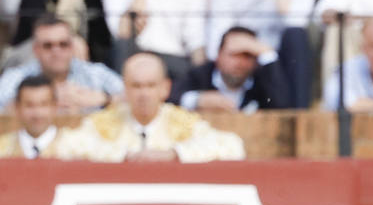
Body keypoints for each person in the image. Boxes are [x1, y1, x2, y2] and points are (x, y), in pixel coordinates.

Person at [54, 52, 246, 161]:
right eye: (136, 86)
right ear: (125, 89)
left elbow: (233, 146)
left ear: (165, 88)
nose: (144, 94)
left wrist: (174, 154)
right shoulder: (106, 121)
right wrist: (123, 155)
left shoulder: (181, 121)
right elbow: (65, 145)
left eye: (151, 85)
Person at [0, 15, 124, 114]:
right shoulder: (16, 76)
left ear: (72, 47)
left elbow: (132, 96)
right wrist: (42, 101)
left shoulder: (94, 73)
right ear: (36, 50)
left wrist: (103, 99)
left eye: (63, 44)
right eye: (48, 46)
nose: (56, 51)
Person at [170, 25, 292, 111]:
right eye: (234, 55)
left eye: (247, 55)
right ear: (218, 55)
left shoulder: (263, 81)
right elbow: (169, 98)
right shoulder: (200, 75)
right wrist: (199, 100)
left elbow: (282, 106)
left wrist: (267, 53)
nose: (239, 62)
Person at [0, 77, 64, 159]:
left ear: (55, 106)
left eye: (44, 104)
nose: (37, 113)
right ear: (17, 107)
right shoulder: (3, 149)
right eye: (29, 105)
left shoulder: (76, 148)